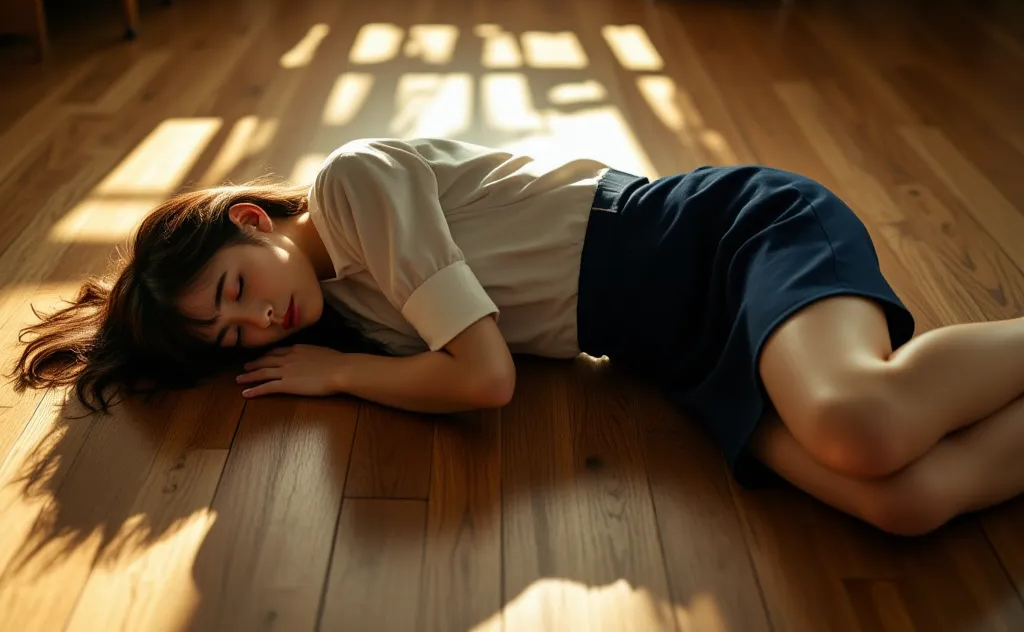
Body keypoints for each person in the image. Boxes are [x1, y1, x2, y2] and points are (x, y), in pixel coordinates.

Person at [11, 137, 1024, 537]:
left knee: (861, 426)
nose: (254, 323)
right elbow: (464, 367)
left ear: (250, 220)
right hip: (668, 348)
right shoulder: (359, 307)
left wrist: (341, 375)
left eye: (234, 291)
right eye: (229, 335)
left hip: (727, 239)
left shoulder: (350, 187)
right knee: (906, 502)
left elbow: (486, 378)